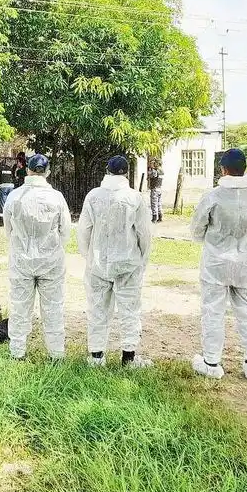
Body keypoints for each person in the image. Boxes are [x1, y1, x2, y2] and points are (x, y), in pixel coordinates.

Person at [190, 148, 247, 381]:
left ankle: (211, 362)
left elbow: (197, 230)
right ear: (244, 168)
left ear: (223, 169)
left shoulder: (213, 196)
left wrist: (214, 240)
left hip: (215, 263)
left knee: (213, 311)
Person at [78, 156, 152, 368]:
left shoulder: (94, 196)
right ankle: (128, 357)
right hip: (127, 262)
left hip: (99, 262)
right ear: (126, 173)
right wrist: (142, 259)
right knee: (130, 309)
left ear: (107, 170)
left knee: (97, 309)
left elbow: (84, 230)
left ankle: (96, 356)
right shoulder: (134, 198)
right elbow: (144, 233)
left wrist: (89, 256)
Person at [3, 154, 71, 360]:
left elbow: (8, 229)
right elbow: (65, 231)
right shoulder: (56, 198)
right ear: (47, 172)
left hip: (21, 260)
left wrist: (20, 247)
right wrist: (53, 249)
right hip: (51, 261)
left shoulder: (14, 197)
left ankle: (17, 352)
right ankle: (56, 355)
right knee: (53, 308)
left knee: (19, 307)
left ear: (28, 170)